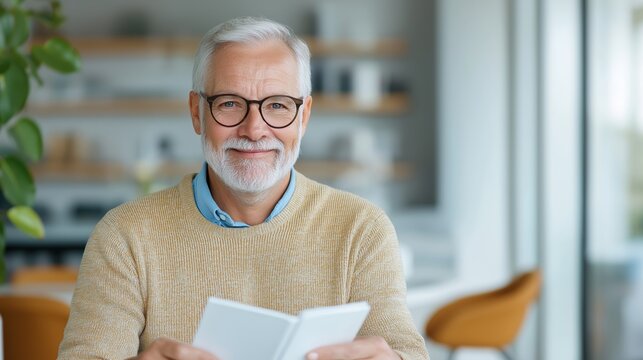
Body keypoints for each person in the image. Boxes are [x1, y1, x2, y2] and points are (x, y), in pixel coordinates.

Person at [58, 17, 429, 360]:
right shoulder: (124, 236)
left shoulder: (361, 229)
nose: (254, 130)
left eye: (278, 106)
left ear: (305, 117)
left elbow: (406, 352)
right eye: (230, 103)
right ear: (196, 112)